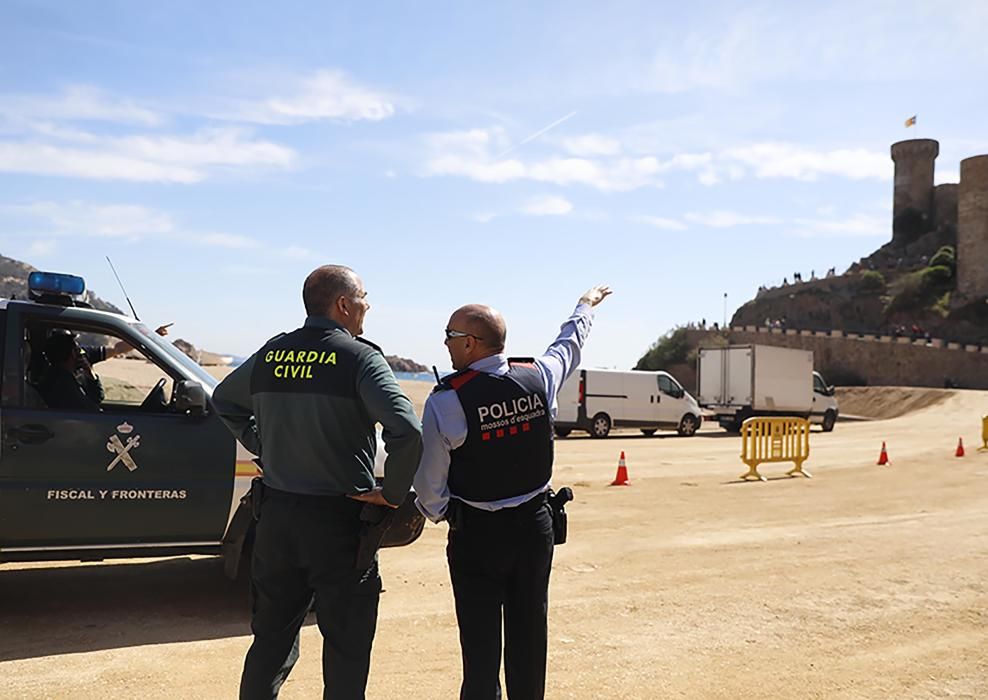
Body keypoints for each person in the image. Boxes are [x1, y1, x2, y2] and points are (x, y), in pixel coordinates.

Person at [211, 265, 423, 700]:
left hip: (276, 520)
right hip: (340, 523)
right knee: (346, 648)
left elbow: (224, 400)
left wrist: (264, 445)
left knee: (270, 641)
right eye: (364, 296)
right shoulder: (359, 358)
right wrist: (393, 494)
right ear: (344, 304)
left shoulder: (272, 353)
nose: (368, 305)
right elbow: (407, 431)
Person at [414, 284, 612, 699]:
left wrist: (444, 513)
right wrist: (585, 306)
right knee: (529, 633)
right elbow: (569, 344)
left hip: (478, 535)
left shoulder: (448, 402)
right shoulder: (539, 375)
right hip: (534, 528)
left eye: (449, 336)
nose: (445, 343)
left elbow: (430, 484)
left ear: (470, 344)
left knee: (480, 644)